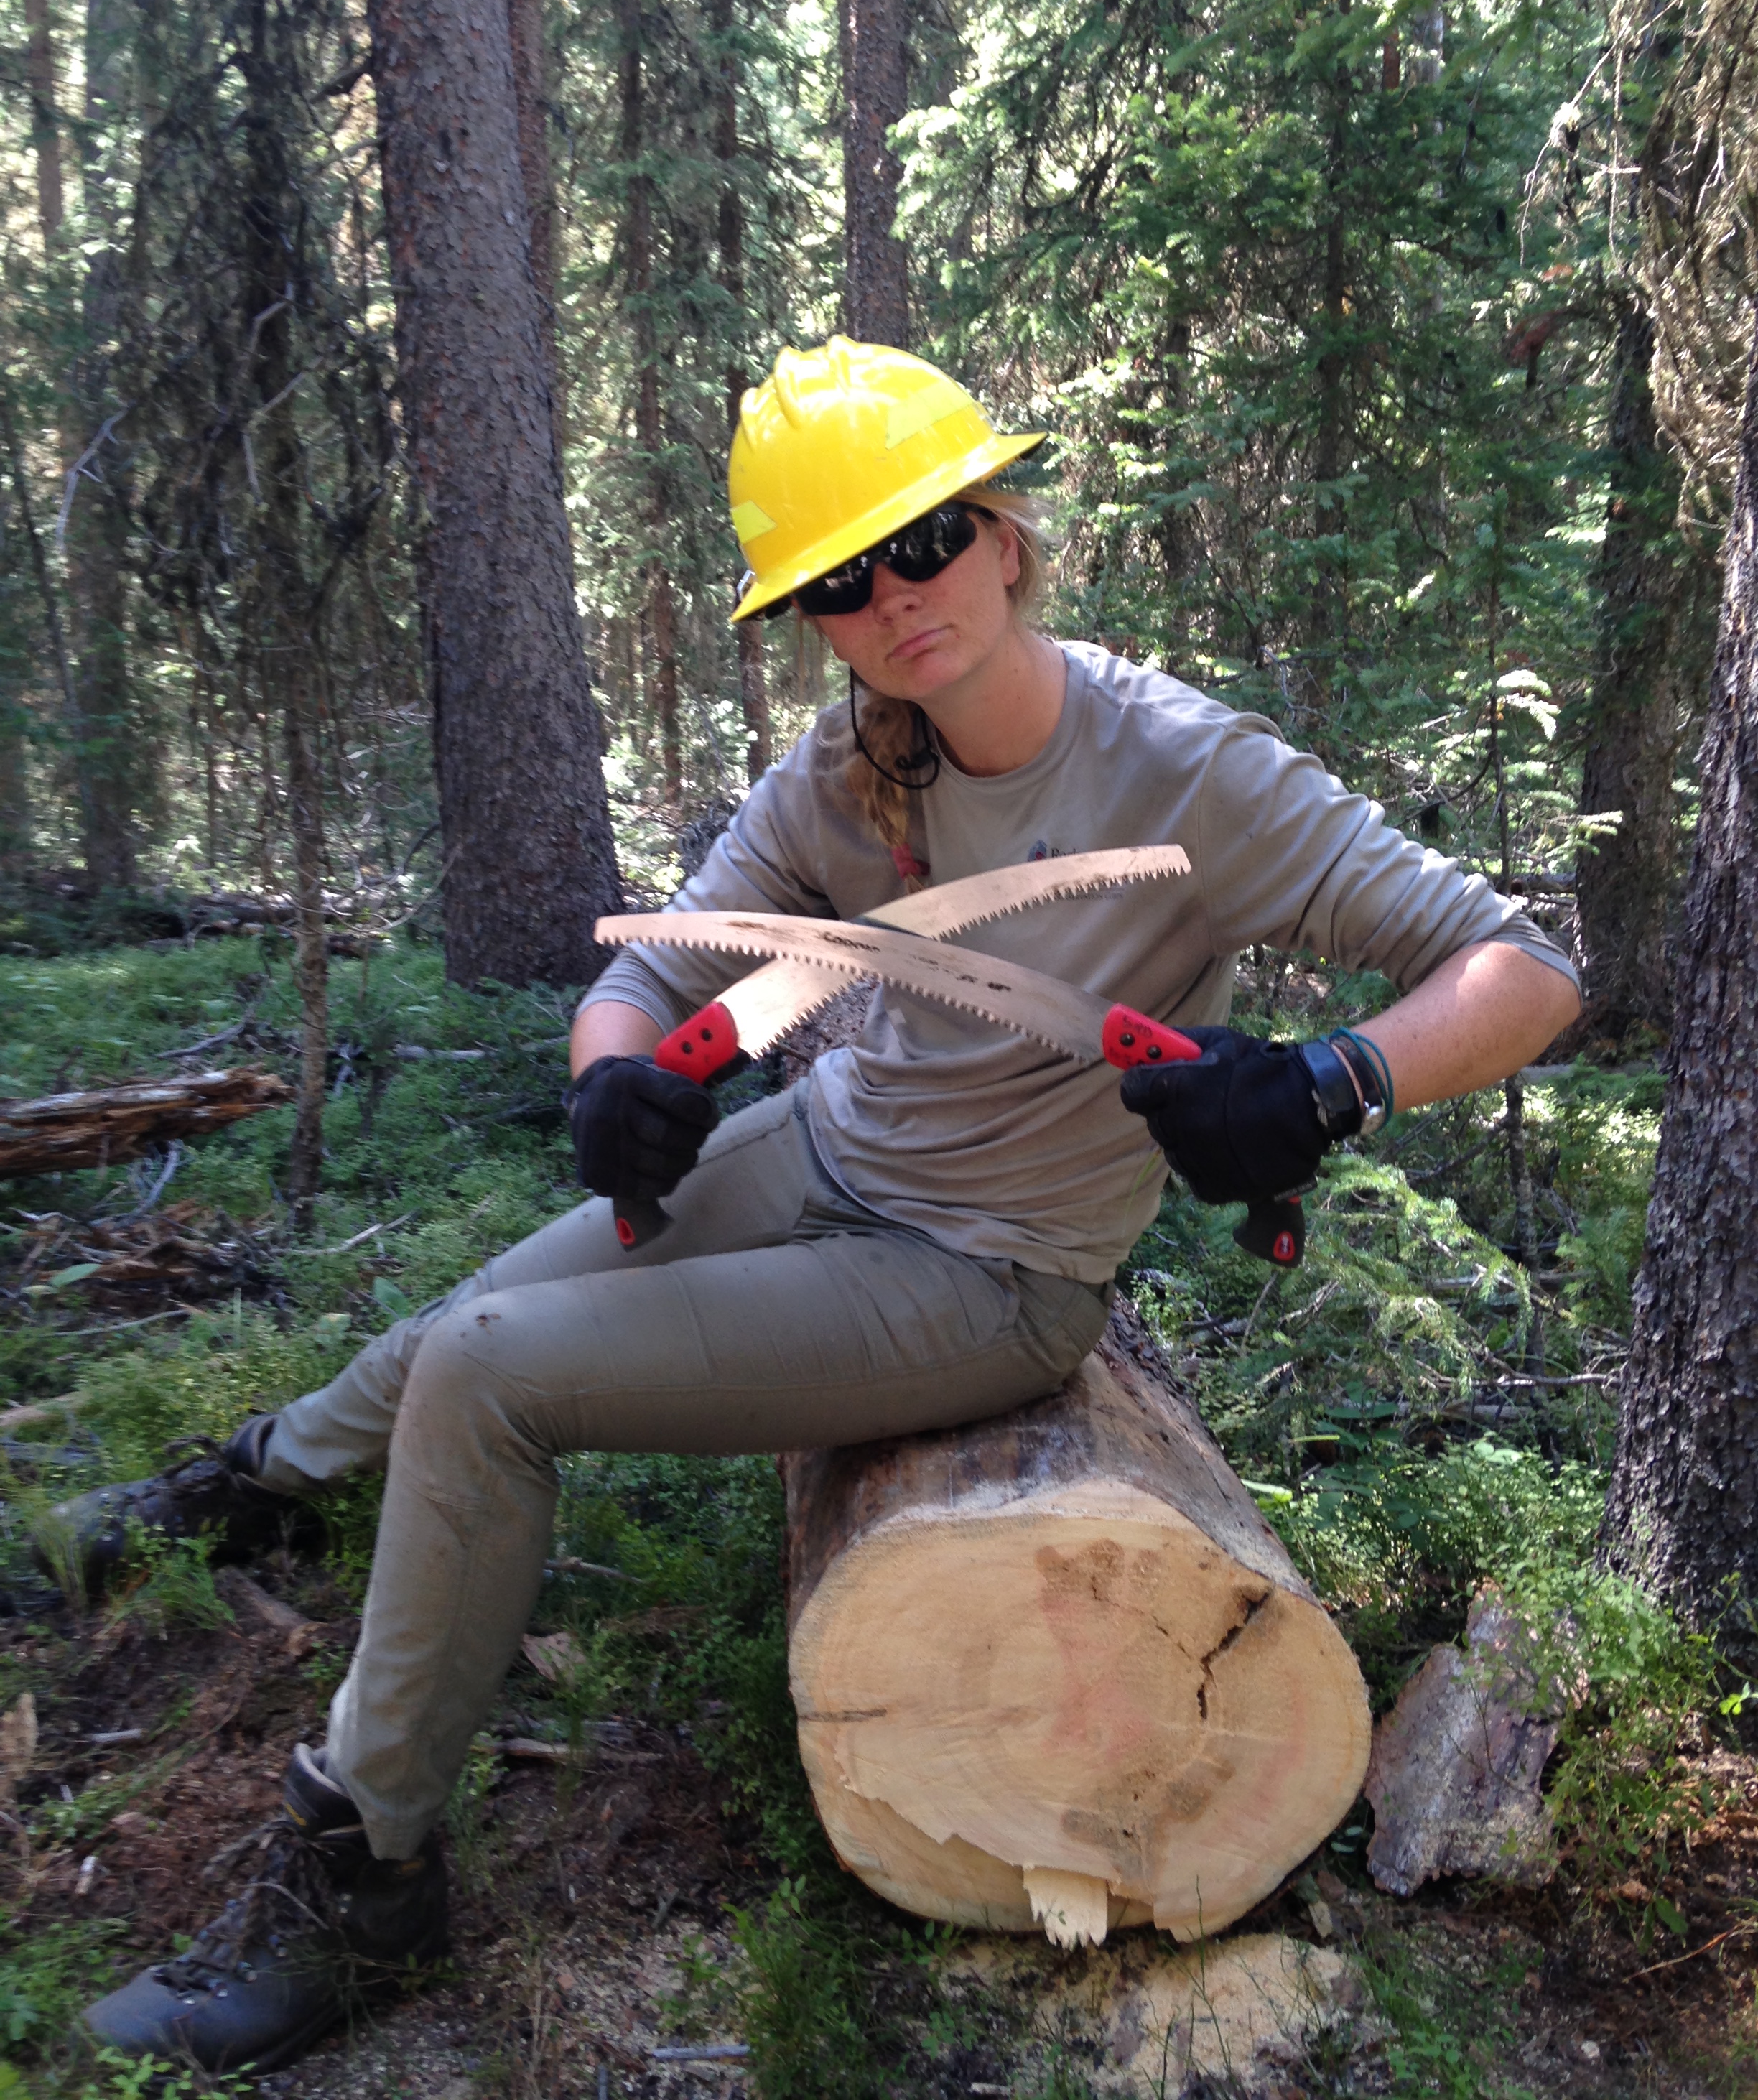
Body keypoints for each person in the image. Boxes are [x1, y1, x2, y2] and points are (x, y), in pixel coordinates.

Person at [67, 335, 1581, 2072]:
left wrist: (1329, 1081)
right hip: (826, 1151)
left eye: (927, 540)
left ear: (1008, 536)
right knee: (447, 1337)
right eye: (843, 580)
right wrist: (616, 1076)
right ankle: (255, 1488)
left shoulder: (1187, 774)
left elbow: (1522, 970)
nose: (897, 596)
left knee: (489, 1375)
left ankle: (364, 1871)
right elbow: (659, 967)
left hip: (985, 1276)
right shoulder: (854, 769)